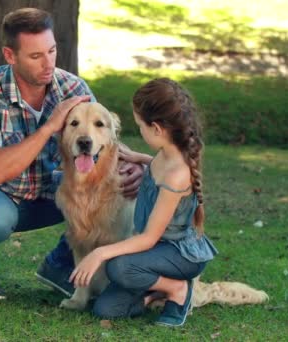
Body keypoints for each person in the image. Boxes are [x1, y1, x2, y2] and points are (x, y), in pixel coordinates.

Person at [0, 8, 144, 300]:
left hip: (45, 190)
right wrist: (49, 127)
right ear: (10, 56)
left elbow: (101, 139)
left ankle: (60, 264)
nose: (48, 64)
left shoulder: (73, 87)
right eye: (36, 57)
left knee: (104, 192)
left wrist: (133, 165)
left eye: (52, 51)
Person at [68, 78, 218, 327]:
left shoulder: (177, 175)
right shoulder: (166, 154)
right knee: (105, 309)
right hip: (157, 252)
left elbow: (148, 238)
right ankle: (153, 296)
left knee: (118, 267)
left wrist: (99, 252)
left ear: (157, 129)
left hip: (178, 254)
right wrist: (140, 158)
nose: (139, 131)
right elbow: (158, 166)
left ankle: (177, 289)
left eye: (140, 126)